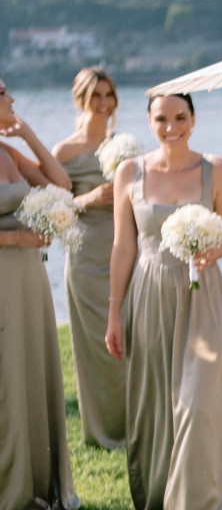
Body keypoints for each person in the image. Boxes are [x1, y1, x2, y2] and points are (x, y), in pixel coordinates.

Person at [106, 92, 222, 510]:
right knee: (154, 399)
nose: (171, 126)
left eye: (180, 116)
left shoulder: (219, 170)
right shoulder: (129, 173)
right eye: (161, 118)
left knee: (199, 402)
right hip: (148, 289)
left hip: (202, 295)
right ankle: (159, 499)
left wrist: (208, 249)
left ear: (194, 119)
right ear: (148, 121)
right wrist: (113, 312)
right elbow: (123, 246)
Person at [0, 79, 80, 510]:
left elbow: (61, 184)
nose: (12, 98)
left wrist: (26, 133)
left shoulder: (9, 155)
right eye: (3, 93)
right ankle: (8, 493)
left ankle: (36, 485)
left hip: (28, 277)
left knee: (28, 369)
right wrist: (16, 237)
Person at [52, 67, 128, 449]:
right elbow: (53, 207)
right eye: (95, 95)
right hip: (84, 254)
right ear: (80, 98)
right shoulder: (64, 151)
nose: (103, 103)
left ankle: (138, 425)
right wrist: (91, 199)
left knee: (131, 338)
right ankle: (102, 431)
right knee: (96, 346)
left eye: (108, 95)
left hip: (124, 250)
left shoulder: (125, 145)